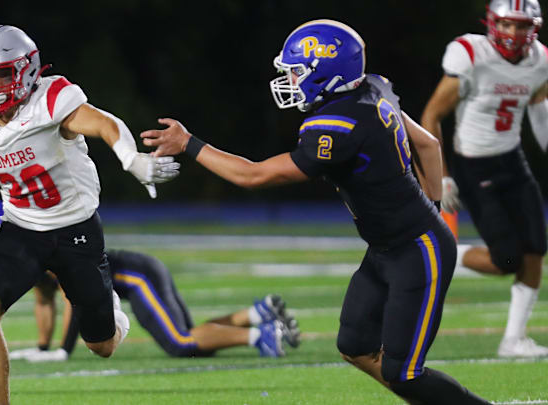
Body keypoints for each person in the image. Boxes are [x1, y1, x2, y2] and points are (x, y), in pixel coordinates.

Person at [141, 19, 491, 404]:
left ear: (324, 71)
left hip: (416, 248)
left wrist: (189, 143)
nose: (290, 80)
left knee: (404, 374)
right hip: (388, 248)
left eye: (295, 71)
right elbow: (427, 146)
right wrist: (433, 206)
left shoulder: (336, 126)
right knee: (354, 345)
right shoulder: (373, 87)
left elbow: (253, 176)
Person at [0, 25, 179, 405]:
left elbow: (105, 124)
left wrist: (131, 159)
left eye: (1, 74)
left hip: (76, 231)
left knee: (102, 345)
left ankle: (111, 308)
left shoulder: (50, 99)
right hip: (22, 228)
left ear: (27, 70)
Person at [0, 201, 300, 361]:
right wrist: (41, 347)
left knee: (180, 342)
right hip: (137, 273)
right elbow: (43, 300)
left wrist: (62, 351)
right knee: (190, 339)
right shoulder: (35, 260)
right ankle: (257, 314)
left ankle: (263, 335)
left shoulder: (43, 247)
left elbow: (70, 299)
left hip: (137, 277)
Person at [420, 0, 548, 357]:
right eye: (506, 24)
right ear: (492, 23)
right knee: (506, 259)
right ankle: (446, 254)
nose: (513, 33)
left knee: (536, 247)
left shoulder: (541, 60)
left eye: (521, 26)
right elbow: (431, 116)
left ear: (534, 28)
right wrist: (442, 176)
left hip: (513, 160)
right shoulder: (471, 54)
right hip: (474, 164)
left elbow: (541, 116)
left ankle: (514, 340)